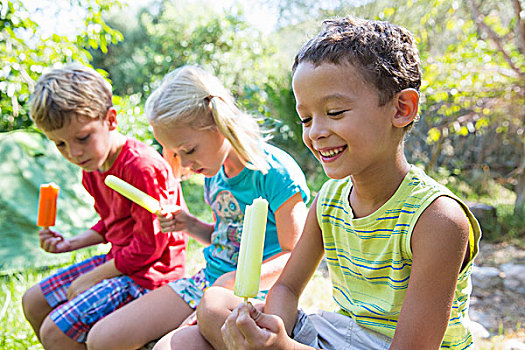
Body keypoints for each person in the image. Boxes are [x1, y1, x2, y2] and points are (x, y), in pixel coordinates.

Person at [212, 16, 483, 350]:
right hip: (343, 335)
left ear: (401, 108)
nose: (316, 132)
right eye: (306, 118)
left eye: (335, 112)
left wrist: (281, 348)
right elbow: (285, 289)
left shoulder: (438, 219)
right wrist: (273, 330)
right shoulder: (330, 200)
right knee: (213, 309)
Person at [83, 65, 310, 350]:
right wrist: (189, 224)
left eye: (189, 150)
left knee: (167, 348)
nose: (185, 163)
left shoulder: (274, 173)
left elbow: (297, 255)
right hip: (208, 279)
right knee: (102, 338)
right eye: (177, 153)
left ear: (220, 123)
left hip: (253, 294)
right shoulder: (214, 172)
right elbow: (228, 236)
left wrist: (233, 281)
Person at [21, 64, 188, 350]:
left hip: (151, 274)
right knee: (33, 301)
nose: (73, 153)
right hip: (123, 260)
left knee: (55, 332)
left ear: (110, 119)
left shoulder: (141, 168)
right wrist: (71, 243)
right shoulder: (93, 167)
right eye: (60, 144)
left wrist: (94, 277)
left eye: (83, 138)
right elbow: (112, 223)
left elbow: (150, 247)